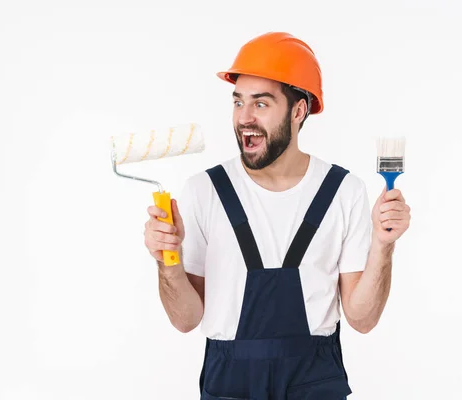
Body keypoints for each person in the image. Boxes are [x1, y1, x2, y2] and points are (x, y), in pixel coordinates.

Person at [144, 32, 411, 399]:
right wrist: (167, 265)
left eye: (261, 104)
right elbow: (185, 319)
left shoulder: (343, 191)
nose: (244, 118)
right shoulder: (203, 192)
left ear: (298, 111)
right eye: (238, 103)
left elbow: (362, 319)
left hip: (313, 378)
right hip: (230, 382)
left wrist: (383, 245)